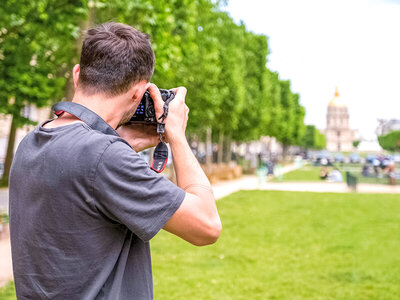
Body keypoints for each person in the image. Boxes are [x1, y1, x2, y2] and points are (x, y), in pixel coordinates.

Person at [9, 22, 221, 299]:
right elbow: (206, 226)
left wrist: (125, 144)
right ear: (138, 92)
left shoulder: (32, 143)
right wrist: (176, 134)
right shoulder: (104, 156)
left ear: (77, 74)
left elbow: (80, 191)